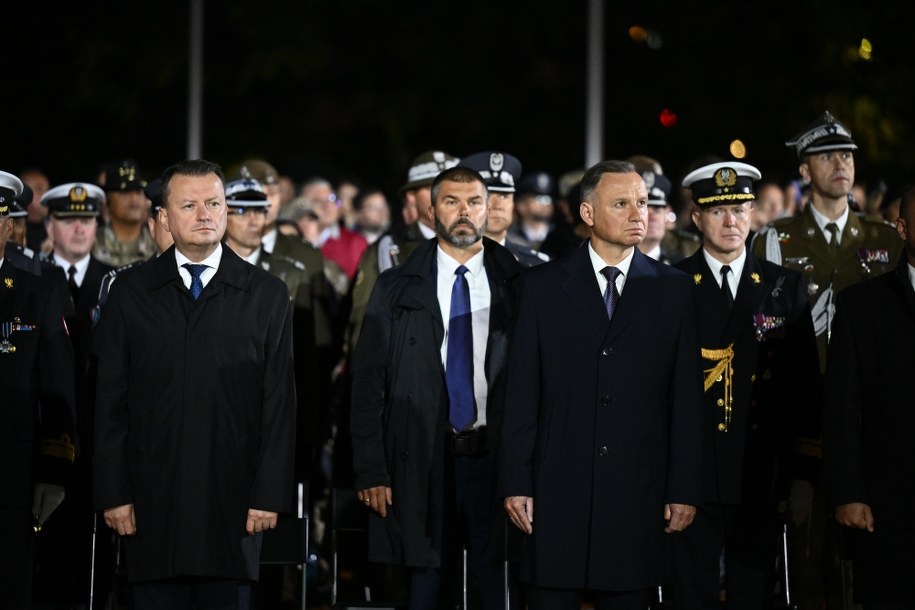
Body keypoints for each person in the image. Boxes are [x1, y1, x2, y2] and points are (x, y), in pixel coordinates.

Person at [92, 159, 297, 609]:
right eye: (189, 205)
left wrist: (269, 495)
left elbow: (279, 404)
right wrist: (114, 493)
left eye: (214, 204)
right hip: (152, 506)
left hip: (234, 509)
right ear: (164, 217)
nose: (205, 215)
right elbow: (110, 402)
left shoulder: (267, 294)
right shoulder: (130, 293)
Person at [498, 160, 703, 610]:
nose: (638, 214)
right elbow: (522, 395)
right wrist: (516, 480)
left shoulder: (674, 290)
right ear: (588, 213)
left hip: (637, 496)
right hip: (556, 496)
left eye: (642, 203)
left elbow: (686, 400)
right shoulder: (541, 287)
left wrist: (684, 488)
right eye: (621, 203)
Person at [350, 166, 522, 610]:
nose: (464, 212)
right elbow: (368, 384)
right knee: (424, 589)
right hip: (421, 458)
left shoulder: (520, 284)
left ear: (489, 208)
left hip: (495, 461)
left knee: (497, 587)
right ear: (431, 211)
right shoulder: (395, 285)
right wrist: (372, 470)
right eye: (451, 201)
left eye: (474, 202)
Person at [751, 111, 903, 610]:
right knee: (807, 554)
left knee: (871, 560)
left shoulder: (884, 238)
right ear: (804, 170)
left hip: (872, 417)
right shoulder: (776, 239)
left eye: (847, 155)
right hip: (805, 416)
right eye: (826, 156)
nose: (841, 164)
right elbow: (766, 335)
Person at [673, 162, 821, 609]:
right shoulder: (671, 285)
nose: (730, 221)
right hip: (693, 476)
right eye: (717, 211)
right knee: (690, 596)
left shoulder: (784, 287)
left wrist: (803, 474)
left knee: (753, 595)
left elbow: (804, 388)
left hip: (761, 472)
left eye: (739, 210)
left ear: (753, 214)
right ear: (696, 217)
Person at [822, 185, 915, 609]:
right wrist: (848, 492)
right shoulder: (862, 307)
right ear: (902, 228)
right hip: (889, 508)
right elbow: (842, 409)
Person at [34, 182, 116, 607]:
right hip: (42, 436)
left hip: (97, 437)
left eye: (87, 219)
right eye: (68, 220)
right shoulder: (28, 278)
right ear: (49, 226)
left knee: (91, 557)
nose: (80, 228)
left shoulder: (116, 283)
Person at [0, 170, 76, 610]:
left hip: (11, 478)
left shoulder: (37, 293)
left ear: (8, 227)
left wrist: (54, 470)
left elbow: (57, 387)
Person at [458, 151, 550, 267]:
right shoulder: (444, 259)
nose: (498, 205)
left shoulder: (536, 264)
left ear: (513, 204)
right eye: (487, 196)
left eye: (504, 196)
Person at [92, 159, 157, 267]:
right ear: (107, 201)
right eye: (125, 192)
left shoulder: (158, 243)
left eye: (138, 191)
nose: (134, 199)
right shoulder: (91, 242)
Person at [306, 176, 368, 280]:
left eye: (332, 199)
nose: (327, 205)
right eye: (318, 200)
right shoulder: (289, 236)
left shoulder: (355, 242)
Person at [636, 168, 675, 264]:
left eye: (657, 209)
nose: (652, 216)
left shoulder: (680, 266)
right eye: (643, 209)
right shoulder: (611, 265)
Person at [509, 171, 555, 250]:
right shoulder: (509, 237)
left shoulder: (559, 236)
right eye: (539, 198)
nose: (544, 204)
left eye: (547, 198)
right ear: (521, 205)